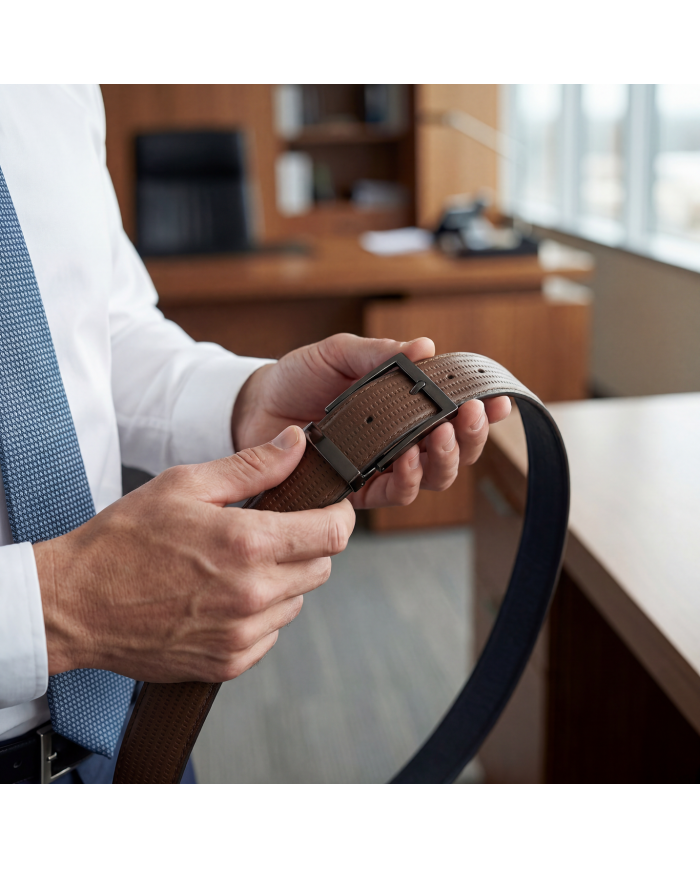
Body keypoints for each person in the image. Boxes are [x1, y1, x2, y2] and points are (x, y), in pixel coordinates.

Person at [0, 85, 510, 784]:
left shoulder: (52, 75)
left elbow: (99, 327)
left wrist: (247, 402)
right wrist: (59, 603)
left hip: (130, 731)